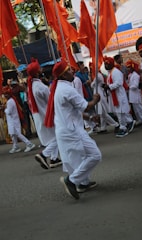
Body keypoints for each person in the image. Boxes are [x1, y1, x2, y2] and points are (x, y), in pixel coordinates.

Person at [45, 59, 102, 200]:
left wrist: (89, 118)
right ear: (64, 75)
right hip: (72, 130)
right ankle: (72, 180)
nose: (72, 71)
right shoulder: (67, 89)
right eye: (69, 70)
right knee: (95, 155)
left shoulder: (59, 88)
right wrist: (95, 100)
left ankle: (82, 183)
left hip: (67, 129)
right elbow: (86, 106)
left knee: (78, 158)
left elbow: (74, 110)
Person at [27, 58, 62, 169]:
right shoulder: (40, 87)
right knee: (58, 137)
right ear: (37, 72)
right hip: (46, 115)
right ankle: (44, 154)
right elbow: (51, 100)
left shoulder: (31, 86)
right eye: (39, 68)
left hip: (40, 116)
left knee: (53, 138)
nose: (41, 69)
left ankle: (54, 159)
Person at [103, 56, 135, 137]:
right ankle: (129, 122)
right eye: (104, 64)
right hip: (115, 96)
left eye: (107, 64)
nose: (105, 66)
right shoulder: (110, 72)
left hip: (119, 95)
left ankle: (123, 128)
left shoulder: (116, 72)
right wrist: (107, 86)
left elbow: (119, 83)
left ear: (111, 64)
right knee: (119, 112)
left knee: (120, 112)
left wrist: (109, 87)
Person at [2, 86, 35, 154]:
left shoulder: (10, 102)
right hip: (12, 121)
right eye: (4, 94)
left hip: (13, 121)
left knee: (17, 134)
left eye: (6, 94)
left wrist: (4, 109)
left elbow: (8, 112)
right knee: (13, 135)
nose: (5, 95)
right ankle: (16, 146)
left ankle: (29, 144)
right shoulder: (11, 100)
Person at [125, 59, 142, 125]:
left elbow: (135, 86)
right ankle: (140, 120)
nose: (128, 69)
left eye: (129, 67)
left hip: (136, 93)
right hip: (132, 94)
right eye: (127, 67)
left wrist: (128, 86)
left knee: (140, 108)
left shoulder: (136, 75)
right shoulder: (130, 75)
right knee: (136, 109)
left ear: (132, 67)